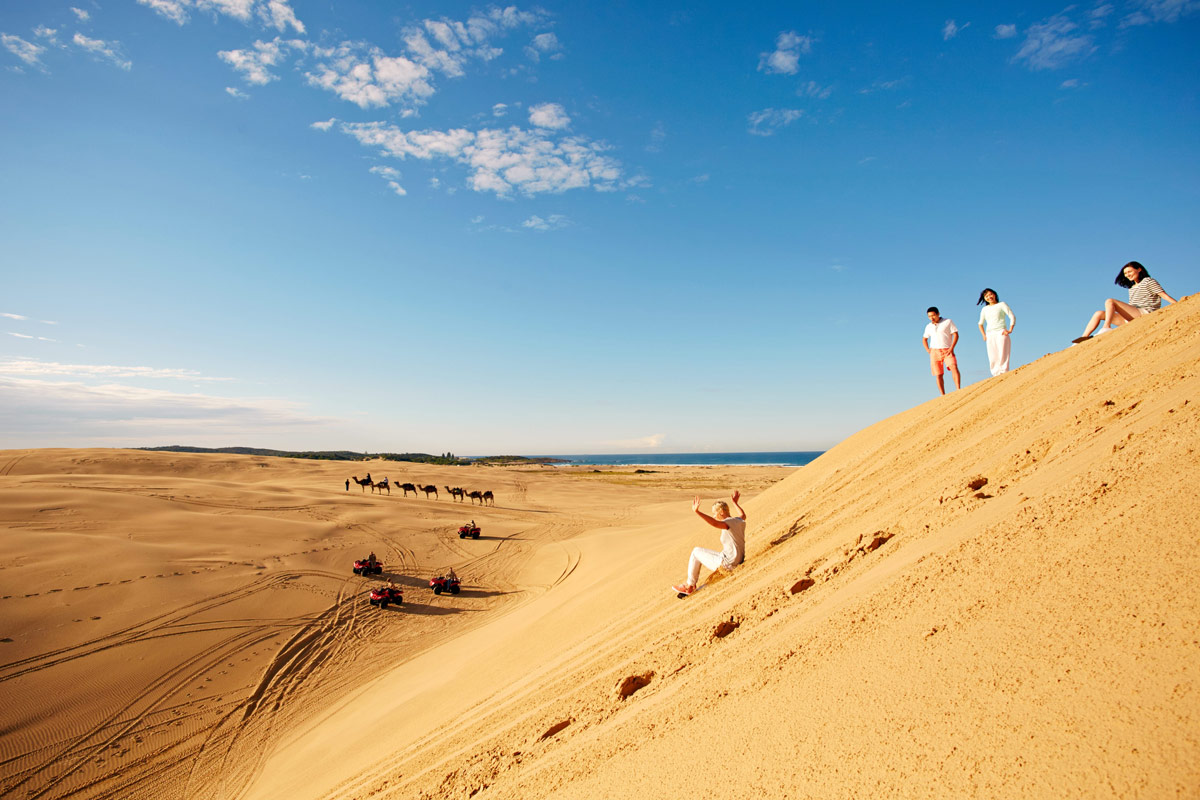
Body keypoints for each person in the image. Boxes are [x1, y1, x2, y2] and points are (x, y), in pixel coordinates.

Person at [1073, 261, 1179, 343]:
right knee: (1099, 313)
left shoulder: (1148, 281)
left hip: (1144, 313)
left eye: (1130, 271)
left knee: (1110, 301)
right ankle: (1083, 338)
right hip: (1132, 316)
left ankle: (1106, 327)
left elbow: (1163, 294)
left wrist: (1178, 304)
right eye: (1125, 273)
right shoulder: (1132, 288)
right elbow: (1131, 305)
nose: (1127, 275)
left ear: (1139, 269)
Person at [672, 491, 747, 596]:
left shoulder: (728, 523)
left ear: (721, 512)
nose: (714, 516)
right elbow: (743, 515)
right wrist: (735, 503)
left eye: (715, 513)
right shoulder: (738, 521)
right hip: (734, 561)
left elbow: (714, 523)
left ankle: (689, 586)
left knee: (695, 552)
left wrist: (697, 512)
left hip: (727, 563)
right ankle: (691, 585)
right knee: (712, 553)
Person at [977, 288, 1016, 376]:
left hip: (1001, 332)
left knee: (1003, 353)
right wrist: (984, 335)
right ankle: (996, 374)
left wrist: (1010, 329)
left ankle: (1004, 372)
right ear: (984, 298)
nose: (989, 297)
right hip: (990, 334)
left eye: (990, 294)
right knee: (992, 355)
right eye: (986, 296)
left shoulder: (1002, 305)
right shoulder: (984, 309)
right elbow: (980, 323)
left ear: (994, 294)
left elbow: (1012, 316)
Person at [922, 307, 961, 395]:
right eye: (929, 316)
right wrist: (928, 350)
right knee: (938, 374)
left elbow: (956, 334)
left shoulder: (948, 321)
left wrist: (951, 348)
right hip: (934, 352)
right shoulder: (928, 326)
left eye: (933, 315)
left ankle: (958, 389)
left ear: (938, 314)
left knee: (953, 367)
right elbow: (924, 339)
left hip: (947, 349)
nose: (932, 318)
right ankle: (942, 395)